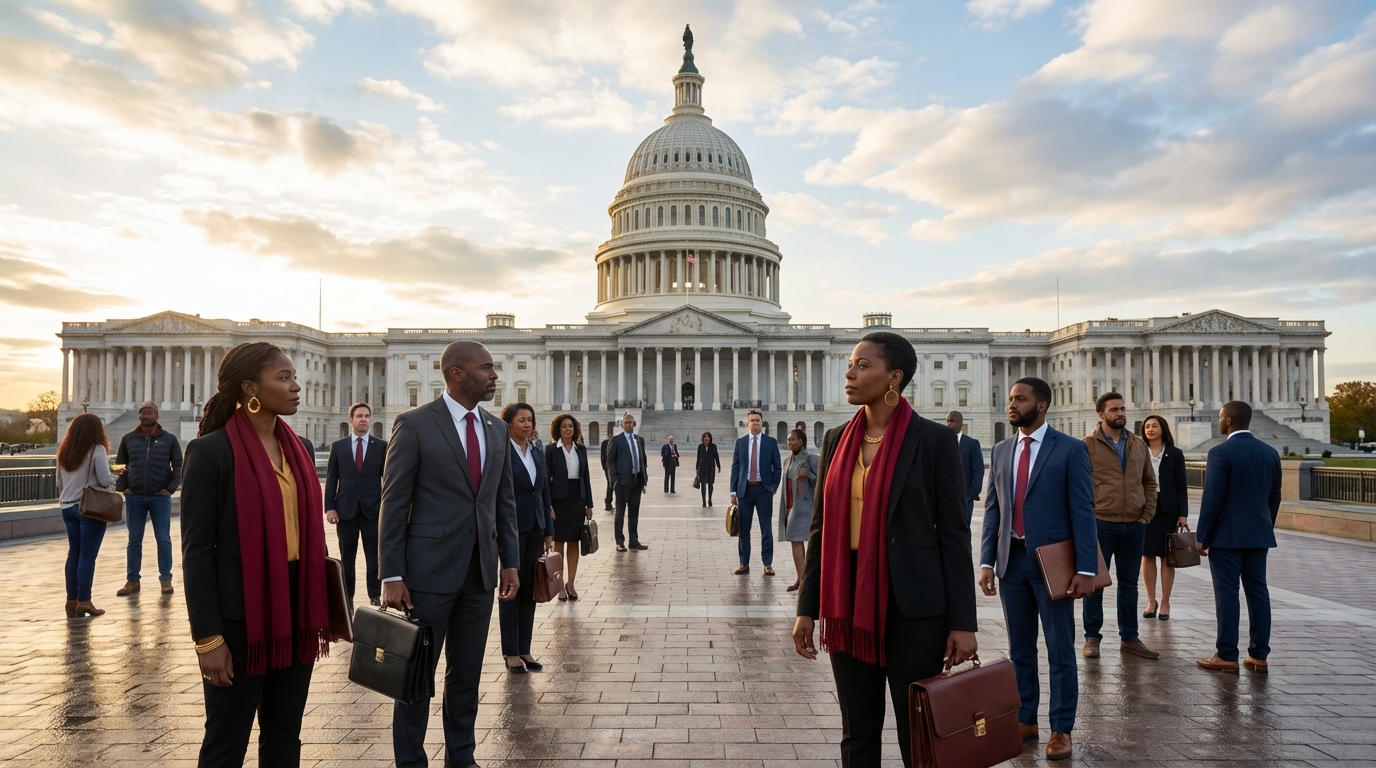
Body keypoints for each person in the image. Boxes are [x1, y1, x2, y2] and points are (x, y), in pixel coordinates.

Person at [792, 332, 978, 768]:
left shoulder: (933, 442)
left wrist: (963, 623)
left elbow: (954, 536)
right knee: (857, 733)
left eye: (862, 365)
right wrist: (807, 607)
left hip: (914, 609)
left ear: (893, 378)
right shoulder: (837, 439)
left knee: (919, 735)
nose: (850, 372)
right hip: (847, 600)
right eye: (851, 364)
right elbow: (820, 531)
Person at [180, 341, 334, 767]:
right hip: (238, 614)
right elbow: (196, 553)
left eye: (294, 377)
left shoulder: (299, 447)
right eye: (283, 378)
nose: (297, 387)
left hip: (295, 609)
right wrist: (208, 638)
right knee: (226, 742)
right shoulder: (210, 452)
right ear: (250, 387)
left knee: (285, 737)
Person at [379, 341, 519, 768]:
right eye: (486, 368)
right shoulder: (416, 423)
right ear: (457, 374)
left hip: (479, 575)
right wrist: (391, 574)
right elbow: (393, 500)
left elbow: (503, 502)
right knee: (416, 676)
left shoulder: (496, 429)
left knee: (467, 676)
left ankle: (462, 757)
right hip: (426, 574)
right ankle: (411, 762)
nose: (495, 375)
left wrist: (510, 560)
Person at [978, 377, 1098, 761]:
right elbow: (994, 511)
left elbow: (1083, 511)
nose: (1011, 404)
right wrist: (986, 562)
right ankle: (1026, 719)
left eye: (1020, 399)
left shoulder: (1070, 449)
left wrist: (1087, 568)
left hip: (1054, 566)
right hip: (1011, 563)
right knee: (1020, 649)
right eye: (1010, 398)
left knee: (1060, 649)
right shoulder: (1000, 450)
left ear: (1042, 405)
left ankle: (1061, 728)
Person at [1196, 401, 1282, 675]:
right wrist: (1264, 525)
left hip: (1226, 537)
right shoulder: (1270, 452)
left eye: (1221, 417)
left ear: (1229, 421)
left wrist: (1203, 536)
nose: (1219, 422)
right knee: (1258, 593)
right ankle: (1259, 655)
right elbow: (1274, 497)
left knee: (1228, 594)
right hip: (1258, 534)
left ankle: (1226, 654)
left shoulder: (1220, 453)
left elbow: (1213, 498)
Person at [1081, 392, 1159, 660]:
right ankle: (1092, 638)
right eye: (1114, 409)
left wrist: (1146, 514)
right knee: (1094, 584)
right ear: (1101, 414)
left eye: (1123, 408)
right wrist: (1089, 517)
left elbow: (1149, 481)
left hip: (1134, 524)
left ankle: (1129, 637)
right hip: (1100, 523)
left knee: (1129, 584)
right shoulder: (1087, 445)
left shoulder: (1138, 444)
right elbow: (1078, 486)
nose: (1121, 413)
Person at [501, 403, 555, 673]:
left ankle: (525, 647)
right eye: (521, 420)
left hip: (535, 527)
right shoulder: (502, 452)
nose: (527, 424)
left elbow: (544, 491)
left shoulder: (536, 451)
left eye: (530, 420)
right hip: (510, 528)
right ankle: (510, 651)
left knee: (530, 592)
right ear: (509, 424)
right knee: (512, 589)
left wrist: (548, 530)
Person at [115, 400, 183, 597]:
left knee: (163, 539)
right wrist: (123, 487)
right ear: (139, 416)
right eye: (143, 413)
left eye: (150, 413)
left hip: (159, 497)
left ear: (157, 416)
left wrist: (170, 489)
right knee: (134, 540)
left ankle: (165, 579)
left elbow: (178, 465)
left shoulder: (169, 439)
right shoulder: (128, 439)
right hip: (135, 496)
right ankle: (132, 580)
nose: (146, 416)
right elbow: (120, 465)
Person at [323, 403, 386, 606]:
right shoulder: (338, 446)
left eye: (367, 416)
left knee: (374, 558)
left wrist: (387, 508)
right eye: (359, 416)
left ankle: (375, 596)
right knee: (346, 558)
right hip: (345, 511)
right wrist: (330, 507)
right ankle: (347, 597)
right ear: (351, 419)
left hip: (373, 511)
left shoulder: (382, 446)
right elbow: (331, 480)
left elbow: (389, 479)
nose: (363, 419)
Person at [57, 413, 116, 618]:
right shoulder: (96, 449)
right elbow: (104, 479)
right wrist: (115, 479)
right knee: (87, 555)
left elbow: (59, 483)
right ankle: (85, 600)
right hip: (88, 508)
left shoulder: (64, 451)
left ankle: (71, 600)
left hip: (67, 507)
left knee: (74, 553)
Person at [1139, 415, 1188, 621]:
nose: (1150, 429)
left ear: (1163, 428)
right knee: (1147, 555)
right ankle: (1151, 601)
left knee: (1168, 557)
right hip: (1145, 508)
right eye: (1147, 426)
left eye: (1154, 426)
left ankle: (1165, 601)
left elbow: (1181, 484)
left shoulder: (1175, 453)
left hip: (1168, 509)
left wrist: (1183, 513)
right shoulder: (1139, 451)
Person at [546, 413, 593, 601]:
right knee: (558, 544)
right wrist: (548, 504)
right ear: (558, 429)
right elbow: (546, 479)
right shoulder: (551, 450)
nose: (568, 429)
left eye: (571, 426)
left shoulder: (580, 449)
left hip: (577, 500)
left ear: (575, 429)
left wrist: (589, 503)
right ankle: (559, 586)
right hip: (558, 500)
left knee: (574, 542)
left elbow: (586, 477)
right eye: (564, 426)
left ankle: (571, 584)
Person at [730, 409, 781, 575]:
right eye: (752, 420)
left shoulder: (770, 442)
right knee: (744, 529)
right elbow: (735, 467)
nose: (755, 423)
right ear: (747, 423)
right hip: (745, 490)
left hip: (763, 490)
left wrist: (773, 487)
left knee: (766, 529)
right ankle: (744, 563)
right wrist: (733, 491)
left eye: (758, 420)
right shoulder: (741, 442)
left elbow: (777, 467)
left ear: (762, 422)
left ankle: (767, 563)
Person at [777, 428, 818, 593]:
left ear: (802, 441)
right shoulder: (787, 460)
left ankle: (808, 579)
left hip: (806, 506)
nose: (790, 442)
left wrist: (809, 476)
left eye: (793, 439)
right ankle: (801, 579)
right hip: (790, 505)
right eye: (788, 440)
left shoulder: (811, 459)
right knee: (795, 540)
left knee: (807, 541)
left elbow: (825, 479)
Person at [604, 412, 649, 552]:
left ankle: (633, 540)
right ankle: (619, 541)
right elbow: (610, 461)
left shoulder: (639, 439)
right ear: (622, 424)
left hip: (636, 481)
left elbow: (643, 459)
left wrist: (643, 478)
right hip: (622, 482)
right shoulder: (616, 440)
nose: (629, 424)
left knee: (634, 513)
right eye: (626, 422)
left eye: (631, 422)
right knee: (620, 514)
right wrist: (614, 480)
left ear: (634, 424)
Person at [945, 411, 984, 526]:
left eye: (953, 421)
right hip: (944, 500)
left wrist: (971, 493)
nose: (949, 424)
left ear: (961, 423)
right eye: (948, 421)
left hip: (964, 499)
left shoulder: (971, 444)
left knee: (962, 533)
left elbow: (978, 470)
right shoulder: (941, 443)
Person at [695, 431, 721, 507]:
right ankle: (703, 501)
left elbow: (716, 456)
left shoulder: (713, 446)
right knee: (703, 484)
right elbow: (698, 457)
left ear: (710, 438)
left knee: (710, 484)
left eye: (708, 436)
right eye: (705, 436)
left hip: (711, 467)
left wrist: (719, 466)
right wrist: (697, 468)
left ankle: (710, 499)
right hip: (702, 467)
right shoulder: (700, 446)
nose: (706, 438)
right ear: (703, 438)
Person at [599, 435, 614, 511]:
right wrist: (605, 467)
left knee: (612, 485)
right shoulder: (605, 443)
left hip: (616, 467)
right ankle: (608, 503)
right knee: (610, 484)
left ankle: (609, 503)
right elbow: (602, 456)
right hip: (608, 467)